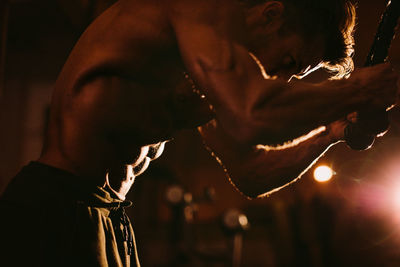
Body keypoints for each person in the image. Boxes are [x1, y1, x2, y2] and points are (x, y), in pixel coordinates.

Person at [0, 0, 398, 266]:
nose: (278, 77)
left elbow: (251, 172)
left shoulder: (213, 71)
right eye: (289, 60)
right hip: (52, 208)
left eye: (294, 75)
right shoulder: (199, 10)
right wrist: (361, 88)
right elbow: (253, 115)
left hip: (109, 220)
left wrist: (332, 131)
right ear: (271, 14)